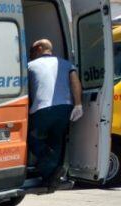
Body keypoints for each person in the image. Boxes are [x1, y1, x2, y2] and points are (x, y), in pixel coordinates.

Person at [27, 39, 83, 189]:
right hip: (65, 108)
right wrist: (78, 104)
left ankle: (48, 166)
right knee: (56, 141)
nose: (30, 54)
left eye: (31, 50)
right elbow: (75, 82)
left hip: (42, 109)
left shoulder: (30, 65)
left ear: (39, 48)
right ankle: (50, 176)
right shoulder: (65, 63)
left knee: (28, 137)